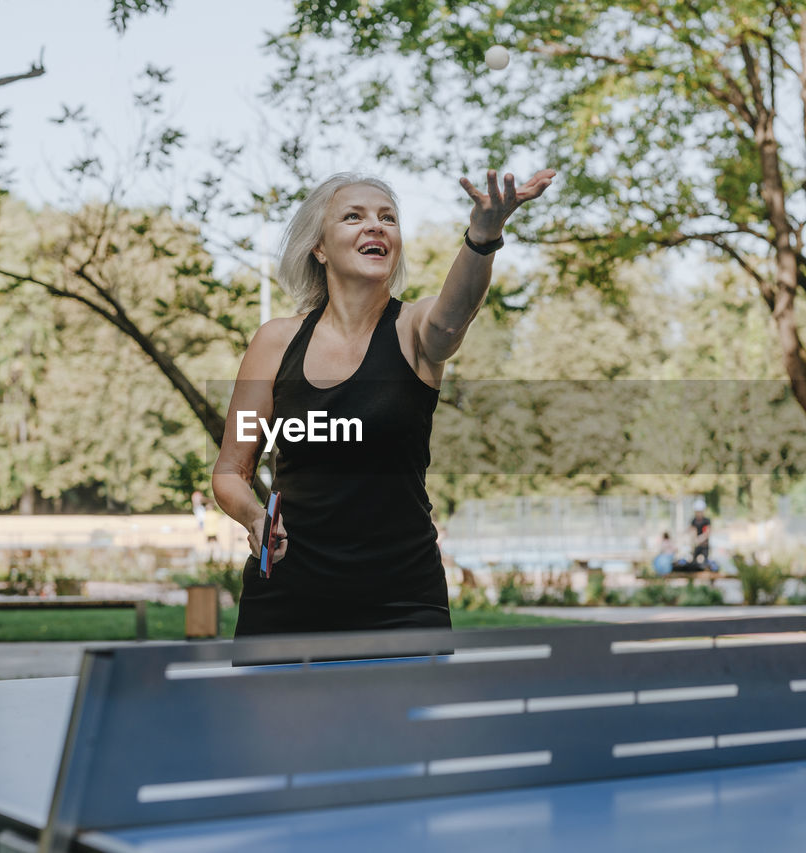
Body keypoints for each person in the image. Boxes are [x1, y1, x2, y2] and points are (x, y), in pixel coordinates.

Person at [212, 168, 555, 635]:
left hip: (402, 600)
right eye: (353, 216)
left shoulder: (415, 329)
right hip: (287, 599)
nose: (376, 226)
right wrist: (254, 516)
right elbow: (232, 472)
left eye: (387, 218)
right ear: (318, 247)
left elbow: (453, 320)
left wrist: (484, 232)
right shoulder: (275, 341)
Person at [689, 499, 712, 571]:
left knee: (705, 563)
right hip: (697, 546)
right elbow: (693, 531)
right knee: (693, 564)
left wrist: (700, 539)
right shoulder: (694, 520)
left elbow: (707, 533)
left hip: (704, 545)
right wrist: (694, 539)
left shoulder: (706, 521)